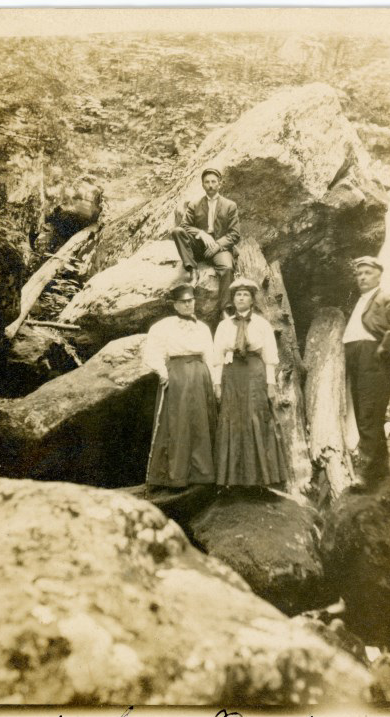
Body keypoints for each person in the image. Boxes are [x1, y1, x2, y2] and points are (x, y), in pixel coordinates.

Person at [343, 256, 390, 488]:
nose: (362, 277)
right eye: (359, 273)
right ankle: (379, 471)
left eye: (367, 273)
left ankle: (368, 475)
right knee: (366, 414)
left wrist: (385, 347)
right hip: (358, 360)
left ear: (379, 275)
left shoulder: (385, 297)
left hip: (373, 360)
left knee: (368, 416)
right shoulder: (363, 300)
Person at [213, 277, 288, 489]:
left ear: (252, 300)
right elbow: (217, 357)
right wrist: (217, 384)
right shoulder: (224, 326)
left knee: (256, 416)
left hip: (255, 372)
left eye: (245, 295)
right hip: (232, 374)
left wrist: (271, 384)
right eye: (238, 295)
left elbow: (270, 356)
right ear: (233, 299)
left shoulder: (262, 325)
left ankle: (260, 479)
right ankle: (232, 480)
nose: (241, 298)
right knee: (233, 418)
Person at [143, 283, 217, 488]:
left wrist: (213, 379)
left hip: (200, 374)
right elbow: (152, 353)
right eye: (183, 302)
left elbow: (209, 354)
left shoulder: (202, 327)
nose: (188, 305)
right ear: (175, 305)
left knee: (201, 421)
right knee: (177, 422)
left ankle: (202, 474)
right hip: (177, 374)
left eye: (191, 301)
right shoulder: (163, 326)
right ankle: (176, 476)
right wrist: (163, 373)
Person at [171, 167, 240, 316]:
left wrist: (217, 245)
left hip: (219, 248)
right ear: (202, 185)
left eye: (213, 182)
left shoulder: (230, 206)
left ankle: (225, 309)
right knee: (177, 232)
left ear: (220, 184)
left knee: (227, 268)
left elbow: (235, 234)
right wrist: (201, 233)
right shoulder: (195, 204)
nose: (210, 185)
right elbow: (184, 226)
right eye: (207, 182)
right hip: (198, 246)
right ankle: (192, 270)